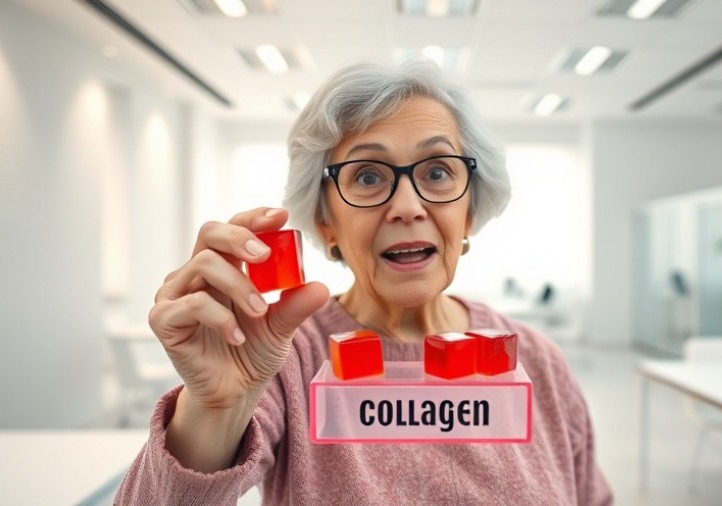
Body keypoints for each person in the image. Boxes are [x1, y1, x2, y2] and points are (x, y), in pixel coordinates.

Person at [115, 59, 614, 505]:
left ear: (469, 211)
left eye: (437, 172)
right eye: (368, 177)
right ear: (326, 223)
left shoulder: (539, 362)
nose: (407, 207)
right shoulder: (283, 360)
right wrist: (215, 409)